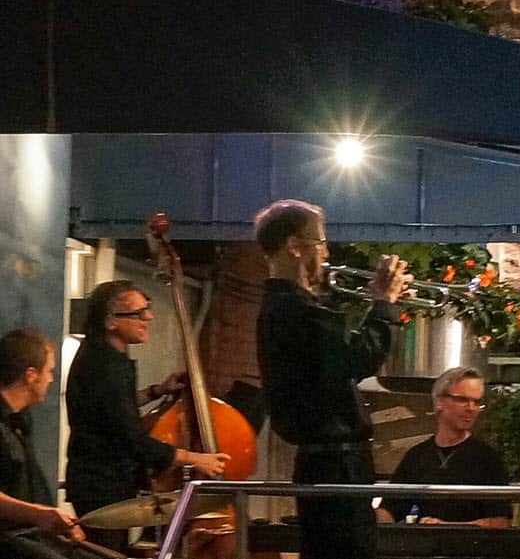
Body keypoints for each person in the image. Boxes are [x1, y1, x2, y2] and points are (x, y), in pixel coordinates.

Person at [255, 199, 412, 559]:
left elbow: (335, 362)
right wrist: (385, 304)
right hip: (336, 467)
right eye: (320, 242)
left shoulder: (291, 306)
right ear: (294, 246)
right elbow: (358, 359)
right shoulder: (295, 309)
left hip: (328, 464)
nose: (326, 252)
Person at [65, 279, 231, 553]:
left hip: (104, 481)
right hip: (102, 484)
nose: (148, 317)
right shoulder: (105, 366)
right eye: (138, 313)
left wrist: (157, 391)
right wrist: (194, 458)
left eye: (147, 309)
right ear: (110, 322)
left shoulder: (102, 356)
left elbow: (109, 409)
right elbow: (133, 439)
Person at [377, 366, 511, 528]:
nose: (471, 408)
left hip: (472, 548)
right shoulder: (418, 455)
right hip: (427, 547)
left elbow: (501, 521)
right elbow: (390, 510)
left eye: (477, 402)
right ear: (440, 402)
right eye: (463, 400)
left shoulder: (487, 458)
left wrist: (445, 525)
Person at [0, 327, 87, 559]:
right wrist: (38, 514)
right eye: (49, 371)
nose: (50, 379)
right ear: (30, 375)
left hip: (26, 534)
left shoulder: (20, 419)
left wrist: (54, 523)